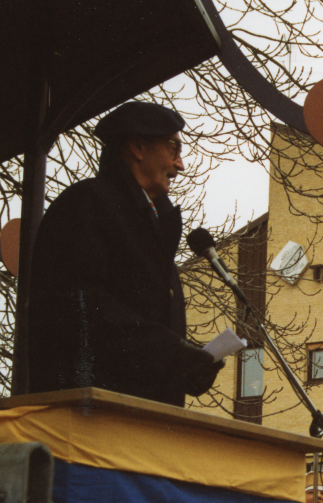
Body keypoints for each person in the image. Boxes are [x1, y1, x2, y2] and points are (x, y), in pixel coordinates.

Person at [28, 101, 224, 405]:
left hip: (142, 425)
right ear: (138, 146)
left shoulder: (154, 225)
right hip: (89, 419)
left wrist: (188, 368)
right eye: (174, 148)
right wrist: (173, 354)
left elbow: (142, 330)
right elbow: (83, 309)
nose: (180, 165)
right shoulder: (87, 205)